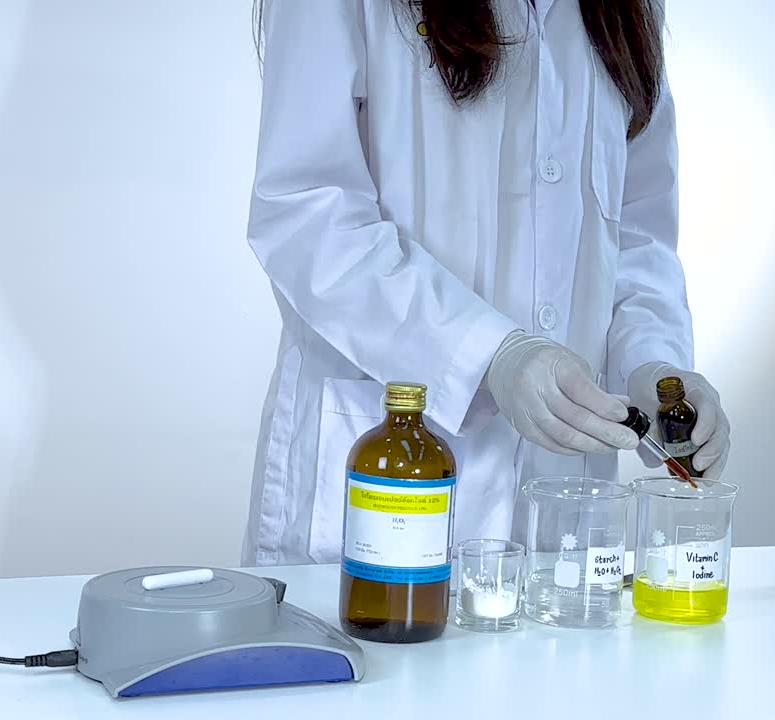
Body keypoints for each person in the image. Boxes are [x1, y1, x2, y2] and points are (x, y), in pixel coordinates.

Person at [243, 0, 730, 567]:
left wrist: (653, 368)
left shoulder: (623, 8)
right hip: (387, 484)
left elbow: (636, 233)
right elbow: (307, 214)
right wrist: (487, 355)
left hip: (559, 517)